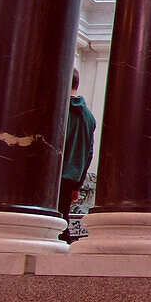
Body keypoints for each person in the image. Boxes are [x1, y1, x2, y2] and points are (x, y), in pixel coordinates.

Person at [58, 67, 96, 243]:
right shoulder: (89, 116)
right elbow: (89, 153)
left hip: (53, 176)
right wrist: (77, 185)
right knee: (62, 218)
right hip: (72, 177)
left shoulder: (57, 111)